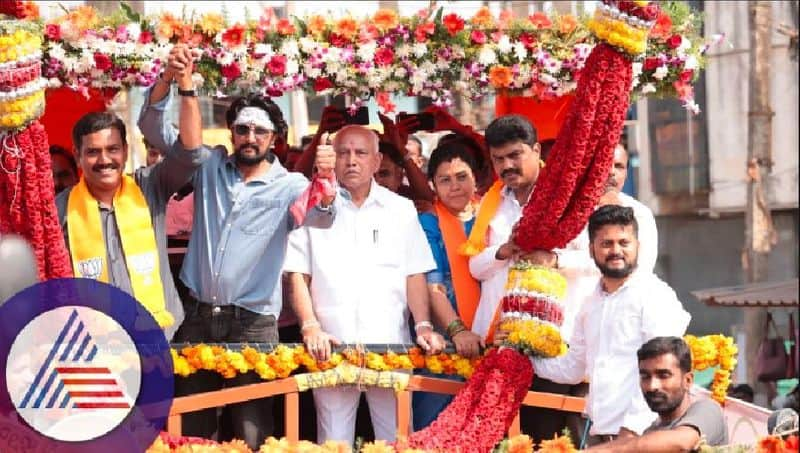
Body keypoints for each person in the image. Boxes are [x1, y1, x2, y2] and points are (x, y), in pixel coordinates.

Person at [138, 43, 336, 449]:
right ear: (231, 132)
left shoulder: (291, 186)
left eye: (260, 131)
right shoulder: (208, 166)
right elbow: (153, 127)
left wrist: (327, 191)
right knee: (193, 430)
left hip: (254, 323)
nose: (250, 137)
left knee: (253, 431)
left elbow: (319, 218)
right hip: (195, 314)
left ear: (275, 138)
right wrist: (169, 80)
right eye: (242, 129)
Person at [283, 125, 445, 445]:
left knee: (397, 440)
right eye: (343, 153)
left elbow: (414, 273)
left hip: (390, 348)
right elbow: (297, 273)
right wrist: (310, 326)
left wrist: (424, 324)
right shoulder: (313, 206)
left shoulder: (400, 210)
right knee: (333, 442)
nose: (351, 161)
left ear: (376, 161)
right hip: (330, 349)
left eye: (361, 153)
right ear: (332, 159)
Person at [529, 205, 691, 445]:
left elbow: (661, 374)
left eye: (624, 243)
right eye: (606, 244)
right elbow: (573, 368)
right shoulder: (591, 304)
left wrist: (630, 432)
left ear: (638, 246)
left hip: (644, 437)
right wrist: (523, 356)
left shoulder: (655, 296)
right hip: (601, 435)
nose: (616, 251)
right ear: (591, 250)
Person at [55, 110, 195, 340]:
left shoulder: (150, 186)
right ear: (77, 155)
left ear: (125, 151)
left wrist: (185, 87)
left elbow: (190, 155)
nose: (104, 160)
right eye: (92, 152)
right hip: (96, 346)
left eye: (112, 149)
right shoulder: (60, 209)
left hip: (159, 339)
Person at [412, 142, 483, 430]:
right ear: (432, 185)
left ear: (475, 178)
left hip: (491, 338)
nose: (454, 186)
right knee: (435, 428)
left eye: (461, 177)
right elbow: (433, 284)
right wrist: (458, 331)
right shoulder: (428, 224)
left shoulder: (492, 216)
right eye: (445, 180)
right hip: (446, 341)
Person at [587, 337, 728, 451]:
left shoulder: (708, 410)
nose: (652, 386)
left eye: (663, 375)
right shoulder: (651, 432)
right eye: (645, 376)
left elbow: (682, 443)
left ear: (688, 380)